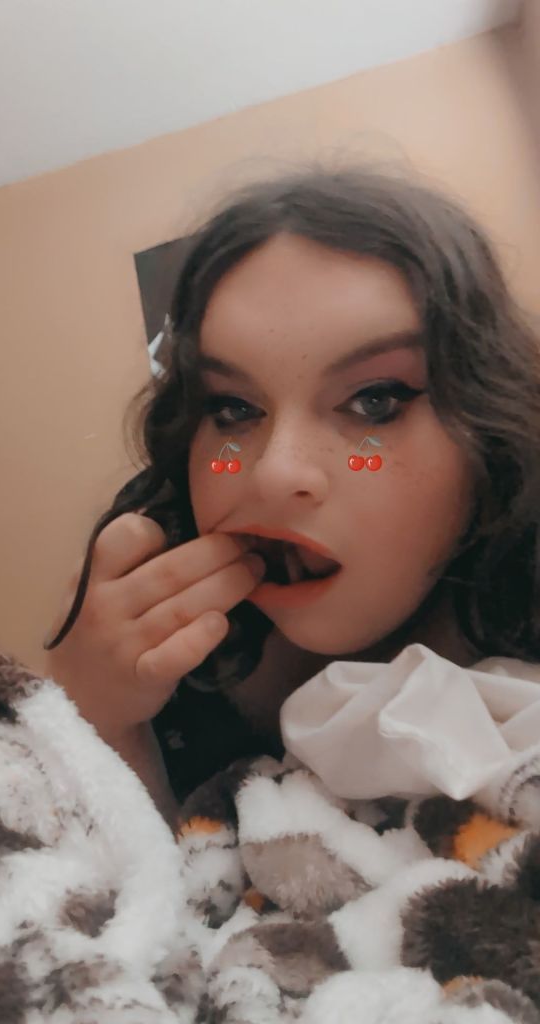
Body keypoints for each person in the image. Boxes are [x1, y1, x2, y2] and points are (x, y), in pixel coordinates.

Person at [42, 164, 540, 830]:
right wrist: (95, 718)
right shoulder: (165, 655)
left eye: (374, 400)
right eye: (232, 407)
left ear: (492, 425)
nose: (273, 474)